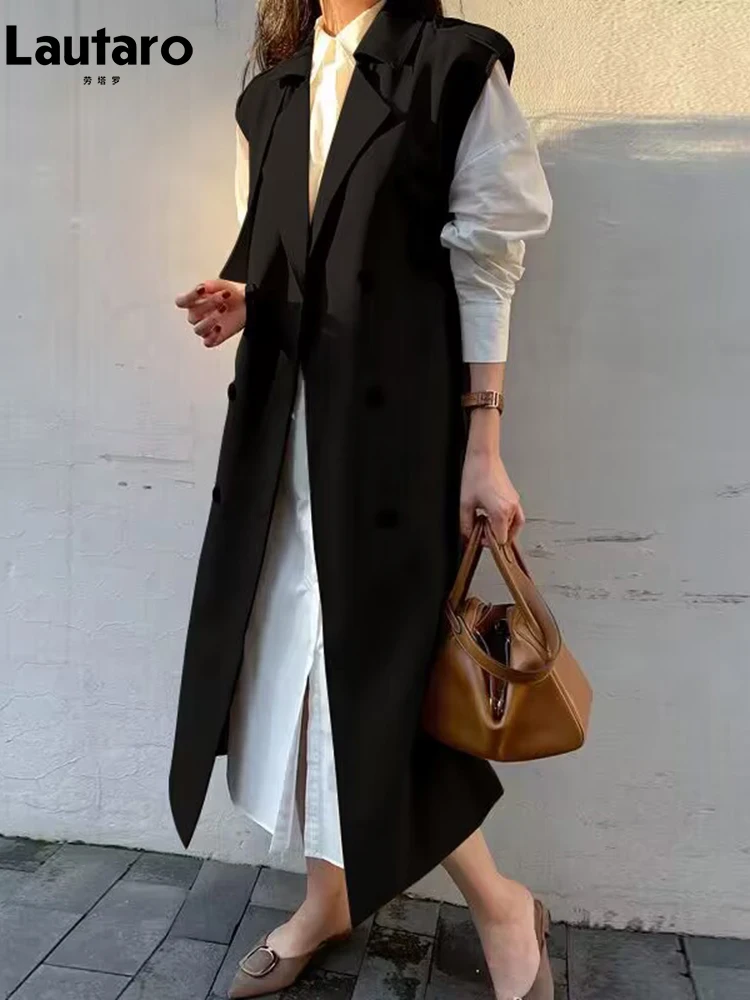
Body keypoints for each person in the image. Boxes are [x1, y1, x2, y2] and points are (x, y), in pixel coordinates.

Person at [170, 0, 553, 996]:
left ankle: (501, 905)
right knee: (298, 671)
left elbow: (488, 267)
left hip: (396, 445)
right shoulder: (274, 94)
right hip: (282, 440)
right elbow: (295, 260)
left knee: (378, 680)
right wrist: (249, 299)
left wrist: (484, 446)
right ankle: (328, 897)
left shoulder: (451, 69)